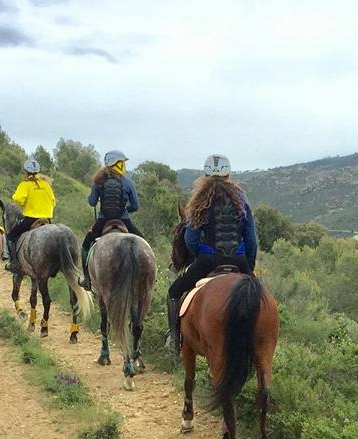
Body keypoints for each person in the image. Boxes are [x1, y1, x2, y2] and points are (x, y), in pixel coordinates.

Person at [165, 154, 258, 353]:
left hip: (208, 260)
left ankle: (174, 339)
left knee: (174, 292)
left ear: (206, 175)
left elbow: (190, 237)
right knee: (260, 296)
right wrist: (249, 266)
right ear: (228, 174)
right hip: (239, 260)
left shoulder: (200, 199)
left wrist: (200, 255)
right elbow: (251, 240)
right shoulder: (241, 200)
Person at [79, 150, 145, 289]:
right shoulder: (128, 183)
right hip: (124, 221)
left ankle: (87, 279)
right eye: (122, 163)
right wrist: (127, 210)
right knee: (143, 243)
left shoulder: (99, 182)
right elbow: (135, 206)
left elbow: (92, 202)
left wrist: (94, 197)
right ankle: (147, 277)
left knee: (86, 245)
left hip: (103, 221)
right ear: (117, 164)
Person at [4, 157, 56, 273]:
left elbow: (18, 199)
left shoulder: (25, 185)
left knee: (10, 237)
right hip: (47, 219)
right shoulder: (46, 185)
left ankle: (13, 263)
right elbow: (53, 201)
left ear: (26, 172)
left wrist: (20, 200)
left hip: (31, 219)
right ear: (38, 172)